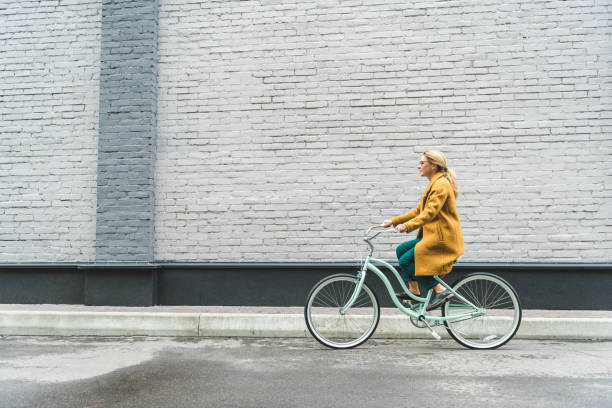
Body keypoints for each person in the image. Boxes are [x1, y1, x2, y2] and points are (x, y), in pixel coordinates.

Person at [382, 150, 465, 311]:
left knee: (409, 260)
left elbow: (429, 213)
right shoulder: (434, 183)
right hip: (434, 236)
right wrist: (393, 221)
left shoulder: (441, 185)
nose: (418, 166)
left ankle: (440, 291)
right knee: (401, 250)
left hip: (443, 239)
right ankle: (414, 291)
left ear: (433, 166)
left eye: (422, 163)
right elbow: (419, 210)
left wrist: (407, 226)